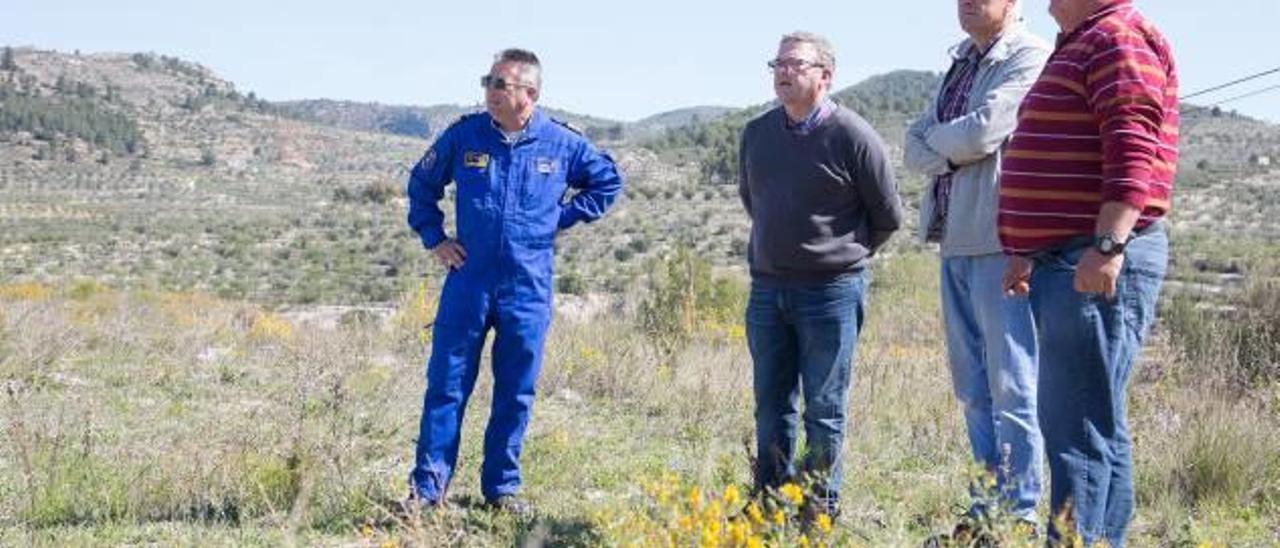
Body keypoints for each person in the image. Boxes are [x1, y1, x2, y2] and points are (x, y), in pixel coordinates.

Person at [404, 48, 624, 514]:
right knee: (446, 384)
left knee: (515, 391)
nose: (492, 92)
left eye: (502, 84)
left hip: (528, 286)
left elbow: (607, 183)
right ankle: (427, 491)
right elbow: (421, 186)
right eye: (488, 82)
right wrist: (435, 239)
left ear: (531, 93)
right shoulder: (465, 135)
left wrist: (557, 218)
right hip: (468, 280)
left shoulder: (561, 143)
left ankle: (501, 490)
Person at [999, 1, 1178, 544]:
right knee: (1095, 423)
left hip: (1090, 258)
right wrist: (1026, 247)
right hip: (1067, 257)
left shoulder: (1116, 37)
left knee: (1076, 428)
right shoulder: (1085, 40)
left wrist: (1106, 245)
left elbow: (1132, 147)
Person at [738, 31, 903, 517]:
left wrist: (838, 256)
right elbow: (755, 202)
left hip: (830, 292)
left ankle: (817, 509)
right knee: (771, 406)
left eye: (796, 64)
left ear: (825, 77)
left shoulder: (853, 135)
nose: (784, 72)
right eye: (778, 63)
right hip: (768, 288)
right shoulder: (757, 134)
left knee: (825, 409)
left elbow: (887, 215)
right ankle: (768, 503)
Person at [904, 0, 1049, 524]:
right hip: (954, 239)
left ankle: (1020, 513)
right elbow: (911, 144)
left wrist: (941, 143)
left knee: (1012, 383)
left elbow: (985, 132)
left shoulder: (1029, 55)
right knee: (971, 390)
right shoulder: (961, 62)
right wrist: (951, 145)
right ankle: (988, 508)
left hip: (1000, 240)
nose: (967, 2)